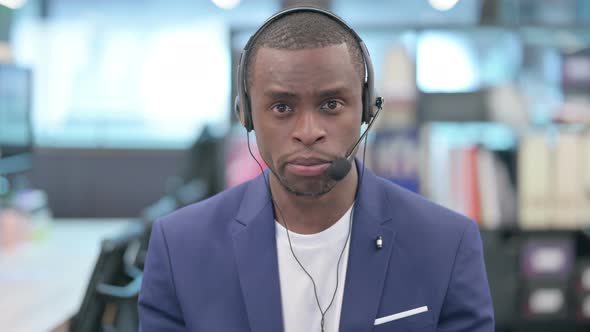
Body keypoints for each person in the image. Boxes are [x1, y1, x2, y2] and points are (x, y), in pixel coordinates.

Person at [138, 6, 494, 332]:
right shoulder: (180, 248)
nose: (308, 132)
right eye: (281, 107)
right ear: (245, 115)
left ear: (367, 109)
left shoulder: (447, 244)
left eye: (331, 104)